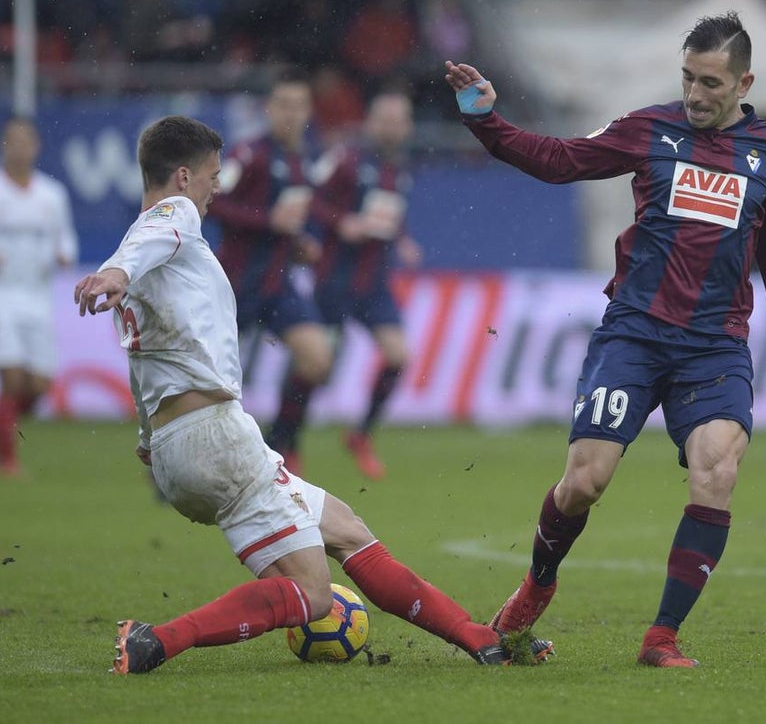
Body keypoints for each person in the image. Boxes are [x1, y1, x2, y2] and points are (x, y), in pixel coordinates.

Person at [73, 115, 552, 674]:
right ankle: (156, 641)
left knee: (346, 529)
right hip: (215, 440)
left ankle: (479, 638)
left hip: (178, 450)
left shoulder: (151, 255)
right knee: (313, 596)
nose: (216, 188)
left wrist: (147, 436)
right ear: (182, 177)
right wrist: (115, 272)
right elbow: (160, 231)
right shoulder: (170, 219)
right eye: (211, 176)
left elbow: (143, 359)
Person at [443, 11, 766, 668]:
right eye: (687, 77)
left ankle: (662, 636)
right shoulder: (650, 129)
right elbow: (560, 161)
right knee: (584, 482)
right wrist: (486, 120)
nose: (696, 94)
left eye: (710, 82)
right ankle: (537, 580)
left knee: (717, 469)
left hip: (715, 344)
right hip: (636, 332)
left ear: (744, 82)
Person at [270, 89, 422, 480]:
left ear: (407, 126)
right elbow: (312, 199)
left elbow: (387, 213)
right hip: (335, 281)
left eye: (398, 119)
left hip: (374, 284)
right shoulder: (347, 158)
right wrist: (341, 223)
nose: (391, 126)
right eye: (385, 118)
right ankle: (287, 443)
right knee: (316, 367)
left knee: (398, 356)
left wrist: (402, 238)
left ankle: (360, 435)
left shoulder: (400, 166)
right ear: (371, 121)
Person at [209, 68, 333, 475]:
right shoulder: (249, 154)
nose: (291, 114)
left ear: (309, 111)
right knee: (211, 383)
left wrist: (302, 243)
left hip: (278, 283)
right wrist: (268, 221)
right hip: (237, 283)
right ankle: (176, 460)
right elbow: (214, 202)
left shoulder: (307, 159)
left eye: (298, 106)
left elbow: (298, 218)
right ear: (268, 109)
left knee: (316, 358)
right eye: (283, 105)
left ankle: (282, 443)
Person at [0, 115, 78, 476]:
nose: (20, 147)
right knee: (11, 378)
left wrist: (64, 254)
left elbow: (65, 237)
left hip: (37, 295)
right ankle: (7, 459)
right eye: (13, 140)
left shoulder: (52, 195)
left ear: (36, 146)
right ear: (2, 146)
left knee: (39, 384)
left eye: (27, 140)